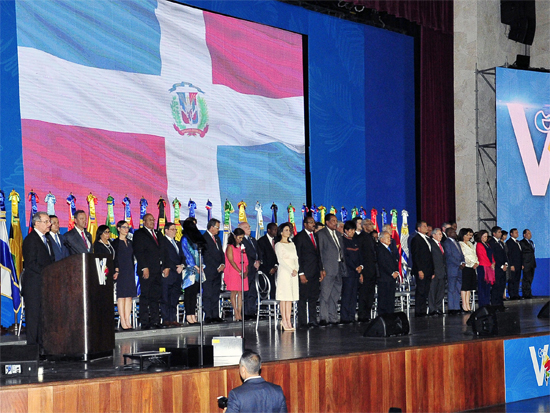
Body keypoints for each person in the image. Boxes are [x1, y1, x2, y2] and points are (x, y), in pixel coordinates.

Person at [22, 212, 55, 346]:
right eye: (46, 222)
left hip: (44, 284)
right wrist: (48, 272)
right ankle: (32, 349)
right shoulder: (31, 240)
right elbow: (31, 263)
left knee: (43, 318)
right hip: (34, 285)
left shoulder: (46, 239)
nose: (50, 224)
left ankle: (42, 348)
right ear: (37, 223)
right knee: (33, 318)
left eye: (49, 222)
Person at [133, 213, 164, 330]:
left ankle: (155, 321)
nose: (152, 222)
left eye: (153, 219)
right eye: (149, 220)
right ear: (144, 222)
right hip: (147, 270)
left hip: (157, 270)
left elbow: (162, 250)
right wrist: (144, 267)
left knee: (155, 297)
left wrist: (164, 266)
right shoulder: (139, 234)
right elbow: (139, 252)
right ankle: (145, 322)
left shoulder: (157, 233)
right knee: (145, 296)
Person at [316, 213, 345, 326]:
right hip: (327, 268)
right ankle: (324, 318)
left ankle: (333, 317)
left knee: (335, 294)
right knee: (325, 293)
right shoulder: (321, 234)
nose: (335, 222)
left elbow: (341, 251)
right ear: (327, 222)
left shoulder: (338, 234)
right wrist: (321, 268)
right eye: (333, 221)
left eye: (336, 220)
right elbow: (320, 253)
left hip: (338, 267)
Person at [293, 216, 322, 328]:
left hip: (315, 271)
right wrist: (301, 273)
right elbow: (298, 256)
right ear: (305, 224)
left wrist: (321, 270)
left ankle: (313, 320)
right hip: (305, 272)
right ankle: (303, 322)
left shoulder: (315, 236)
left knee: (313, 297)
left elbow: (318, 255)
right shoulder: (299, 237)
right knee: (303, 297)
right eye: (310, 222)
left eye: (313, 222)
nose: (313, 224)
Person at [111, 220, 136, 330]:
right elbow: (114, 258)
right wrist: (116, 270)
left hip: (129, 271)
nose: (126, 229)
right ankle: (122, 320)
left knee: (129, 296)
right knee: (121, 296)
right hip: (121, 271)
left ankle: (127, 319)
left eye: (128, 227)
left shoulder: (130, 242)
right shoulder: (115, 243)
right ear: (119, 228)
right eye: (124, 227)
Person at [274, 222, 299, 331]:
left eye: (289, 230)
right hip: (285, 272)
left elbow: (296, 258)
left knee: (290, 298)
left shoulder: (292, 244)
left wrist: (296, 269)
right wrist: (290, 270)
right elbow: (280, 260)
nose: (288, 232)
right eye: (286, 230)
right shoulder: (278, 244)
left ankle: (289, 320)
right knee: (284, 297)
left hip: (293, 272)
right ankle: (284, 320)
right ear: (281, 232)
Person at [161, 222, 185, 327]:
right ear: (166, 230)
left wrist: (182, 265)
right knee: (166, 297)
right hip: (169, 272)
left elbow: (183, 256)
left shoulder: (178, 243)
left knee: (174, 298)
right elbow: (164, 257)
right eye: (172, 229)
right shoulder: (162, 242)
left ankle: (173, 318)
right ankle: (166, 319)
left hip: (178, 273)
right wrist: (174, 267)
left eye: (175, 229)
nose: (174, 231)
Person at [202, 218, 225, 323]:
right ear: (211, 227)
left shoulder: (218, 239)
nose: (218, 230)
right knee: (208, 293)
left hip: (218, 271)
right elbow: (206, 255)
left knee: (216, 293)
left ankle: (215, 315)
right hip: (209, 270)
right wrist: (217, 265)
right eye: (217, 227)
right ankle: (208, 315)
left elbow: (221, 253)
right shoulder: (204, 238)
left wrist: (222, 264)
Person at [410, 221, 434, 317]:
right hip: (421, 270)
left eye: (426, 226)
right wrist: (419, 270)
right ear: (419, 228)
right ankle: (419, 311)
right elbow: (416, 256)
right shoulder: (416, 239)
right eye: (424, 226)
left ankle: (423, 310)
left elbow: (430, 256)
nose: (426, 228)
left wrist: (432, 270)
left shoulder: (427, 239)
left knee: (425, 291)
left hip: (428, 269)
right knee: (420, 290)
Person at [224, 227, 249, 321]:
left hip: (242, 271)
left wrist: (246, 271)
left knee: (240, 292)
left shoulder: (242, 247)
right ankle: (236, 312)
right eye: (239, 237)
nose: (240, 240)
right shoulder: (230, 247)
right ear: (234, 236)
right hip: (234, 271)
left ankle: (240, 310)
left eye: (242, 238)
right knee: (234, 292)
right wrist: (239, 271)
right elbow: (231, 260)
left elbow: (246, 260)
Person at [181, 218, 201, 324]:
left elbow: (200, 252)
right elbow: (187, 254)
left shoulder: (196, 239)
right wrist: (194, 266)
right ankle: (189, 315)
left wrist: (201, 265)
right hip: (189, 271)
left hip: (197, 270)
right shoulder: (185, 239)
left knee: (194, 293)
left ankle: (193, 314)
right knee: (189, 293)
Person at [341, 220, 362, 323]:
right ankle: (345, 317)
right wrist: (355, 267)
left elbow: (360, 256)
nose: (352, 232)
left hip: (356, 272)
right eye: (351, 230)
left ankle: (352, 316)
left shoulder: (355, 241)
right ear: (346, 230)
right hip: (348, 272)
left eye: (354, 230)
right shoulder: (343, 241)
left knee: (354, 295)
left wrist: (361, 266)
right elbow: (345, 257)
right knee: (347, 295)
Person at [356, 219, 377, 322]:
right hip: (365, 270)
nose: (372, 225)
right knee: (364, 294)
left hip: (372, 271)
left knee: (370, 294)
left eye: (372, 224)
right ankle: (362, 315)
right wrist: (361, 273)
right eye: (369, 224)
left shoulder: (371, 237)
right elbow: (360, 255)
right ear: (364, 226)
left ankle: (367, 315)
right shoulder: (360, 238)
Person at [442, 227, 465, 315]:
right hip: (452, 268)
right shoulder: (447, 243)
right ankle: (452, 308)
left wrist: (463, 262)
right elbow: (449, 256)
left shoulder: (457, 243)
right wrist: (458, 263)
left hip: (459, 269)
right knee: (451, 289)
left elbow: (461, 254)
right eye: (453, 232)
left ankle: (457, 307)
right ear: (448, 233)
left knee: (457, 288)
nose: (455, 233)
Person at [240, 222, 260, 320]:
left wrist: (258, 261)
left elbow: (258, 252)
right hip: (246, 269)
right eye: (246, 227)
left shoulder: (253, 240)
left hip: (255, 269)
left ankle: (252, 311)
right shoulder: (240, 240)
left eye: (249, 227)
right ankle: (245, 312)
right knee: (246, 291)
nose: (249, 229)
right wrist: (252, 263)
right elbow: (244, 254)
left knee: (253, 291)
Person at [376, 231, 399, 316]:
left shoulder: (391, 249)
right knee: (383, 298)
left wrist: (396, 271)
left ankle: (390, 315)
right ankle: (383, 316)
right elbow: (382, 263)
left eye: (390, 237)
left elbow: (395, 261)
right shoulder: (380, 249)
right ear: (381, 239)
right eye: (387, 238)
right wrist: (391, 272)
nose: (390, 239)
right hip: (384, 277)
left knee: (390, 298)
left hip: (391, 278)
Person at [488, 226, 508, 310]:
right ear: (494, 233)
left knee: (501, 286)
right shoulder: (491, 243)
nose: (500, 234)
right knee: (496, 286)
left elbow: (504, 255)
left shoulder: (500, 243)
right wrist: (501, 265)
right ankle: (495, 304)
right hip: (497, 268)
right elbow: (494, 256)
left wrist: (506, 264)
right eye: (499, 232)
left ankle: (500, 304)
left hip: (503, 268)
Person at [458, 228, 478, 313]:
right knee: (465, 287)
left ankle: (468, 304)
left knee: (469, 287)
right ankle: (464, 305)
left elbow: (474, 254)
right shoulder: (460, 244)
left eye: (470, 235)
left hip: (472, 267)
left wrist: (476, 262)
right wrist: (471, 263)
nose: (469, 237)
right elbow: (464, 256)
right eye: (467, 235)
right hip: (466, 267)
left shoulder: (470, 243)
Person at [257, 223, 278, 299]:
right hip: (265, 270)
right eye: (274, 229)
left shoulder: (277, 240)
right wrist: (269, 268)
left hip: (276, 269)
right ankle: (264, 308)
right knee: (265, 290)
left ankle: (274, 308)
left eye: (277, 229)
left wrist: (276, 266)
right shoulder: (261, 241)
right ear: (269, 230)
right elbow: (261, 257)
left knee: (274, 291)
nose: (276, 231)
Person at [428, 228, 446, 316]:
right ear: (433, 235)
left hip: (442, 272)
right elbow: (430, 259)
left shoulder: (441, 245)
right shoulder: (431, 244)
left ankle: (438, 308)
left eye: (441, 234)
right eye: (439, 234)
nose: (441, 236)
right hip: (435, 271)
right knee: (432, 291)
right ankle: (432, 309)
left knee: (440, 291)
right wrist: (432, 271)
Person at [475, 230, 495, 308]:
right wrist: (490, 264)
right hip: (483, 267)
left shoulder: (487, 245)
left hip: (489, 267)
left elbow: (491, 255)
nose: (485, 238)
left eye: (486, 236)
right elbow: (482, 256)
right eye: (483, 236)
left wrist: (493, 262)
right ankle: (482, 304)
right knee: (482, 285)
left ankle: (487, 302)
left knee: (487, 286)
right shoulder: (479, 245)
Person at [506, 228, 523, 300]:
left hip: (518, 264)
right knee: (512, 280)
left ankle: (516, 294)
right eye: (515, 232)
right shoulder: (509, 242)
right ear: (511, 234)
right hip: (513, 264)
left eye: (517, 232)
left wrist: (521, 264)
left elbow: (520, 254)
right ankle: (512, 294)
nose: (517, 233)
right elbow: (509, 254)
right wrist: (511, 265)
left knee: (517, 279)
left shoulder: (517, 242)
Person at [519, 229, 536, 299]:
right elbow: (521, 254)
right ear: (524, 235)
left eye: (530, 233)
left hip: (532, 263)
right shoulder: (522, 242)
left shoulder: (531, 242)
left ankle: (529, 293)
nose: (530, 234)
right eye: (528, 233)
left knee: (530, 279)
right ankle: (525, 294)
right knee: (526, 279)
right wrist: (522, 263)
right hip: (526, 263)